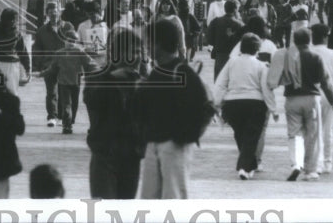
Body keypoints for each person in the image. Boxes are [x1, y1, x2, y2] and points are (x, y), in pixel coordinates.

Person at [134, 18, 215, 199]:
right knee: (149, 199)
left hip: (174, 144)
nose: (146, 46)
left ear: (159, 44)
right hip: (153, 143)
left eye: (149, 42)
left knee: (174, 196)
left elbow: (203, 109)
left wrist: (183, 138)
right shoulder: (156, 72)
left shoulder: (183, 72)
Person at [269, 27, 333, 182]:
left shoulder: (287, 57)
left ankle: (296, 163)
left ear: (294, 40)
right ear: (309, 40)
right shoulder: (316, 57)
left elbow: (276, 78)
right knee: (312, 135)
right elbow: (326, 83)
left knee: (294, 134)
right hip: (312, 98)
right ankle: (310, 170)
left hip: (292, 99)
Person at [83, 28, 146, 199]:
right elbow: (93, 103)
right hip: (104, 156)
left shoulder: (141, 82)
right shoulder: (98, 78)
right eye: (134, 52)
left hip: (131, 157)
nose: (139, 57)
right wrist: (113, 79)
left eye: (140, 52)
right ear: (119, 53)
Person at [214, 33, 278, 180]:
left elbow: (221, 84)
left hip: (232, 105)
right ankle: (243, 167)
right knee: (251, 136)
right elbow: (265, 88)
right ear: (257, 50)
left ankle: (249, 165)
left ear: (241, 48)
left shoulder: (231, 62)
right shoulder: (261, 66)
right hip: (255, 104)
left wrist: (216, 104)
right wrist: (273, 108)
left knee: (240, 135)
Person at [45, 21, 98, 134]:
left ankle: (69, 122)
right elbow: (90, 64)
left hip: (72, 82)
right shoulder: (67, 53)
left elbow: (89, 63)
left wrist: (96, 69)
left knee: (71, 104)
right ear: (64, 40)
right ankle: (67, 124)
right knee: (68, 104)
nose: (71, 43)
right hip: (67, 83)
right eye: (69, 40)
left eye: (73, 41)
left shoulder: (74, 52)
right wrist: (97, 70)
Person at [310, 23, 333, 172]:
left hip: (310, 93)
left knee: (312, 130)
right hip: (328, 94)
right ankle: (327, 161)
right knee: (326, 129)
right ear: (326, 36)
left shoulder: (306, 53)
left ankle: (314, 162)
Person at [32, 1, 65, 127]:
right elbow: (37, 49)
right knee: (51, 92)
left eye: (55, 11)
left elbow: (75, 43)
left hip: (64, 64)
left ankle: (62, 116)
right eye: (51, 12)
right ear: (47, 14)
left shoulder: (67, 27)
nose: (53, 14)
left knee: (63, 91)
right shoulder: (41, 31)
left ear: (59, 12)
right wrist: (40, 64)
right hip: (49, 65)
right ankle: (52, 116)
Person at [0, 7, 31, 94]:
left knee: (12, 93)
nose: (13, 22)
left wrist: (27, 68)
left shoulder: (17, 33)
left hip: (13, 66)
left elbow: (22, 52)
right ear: (4, 19)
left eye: (15, 19)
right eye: (11, 19)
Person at [206, 0, 243, 79]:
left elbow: (209, 39)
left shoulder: (215, 21)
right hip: (234, 57)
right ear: (235, 9)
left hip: (219, 56)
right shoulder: (239, 24)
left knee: (219, 82)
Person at [77, 1, 110, 69]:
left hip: (104, 62)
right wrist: (85, 49)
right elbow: (78, 44)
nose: (91, 16)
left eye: (93, 14)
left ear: (98, 12)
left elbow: (112, 43)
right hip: (88, 63)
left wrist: (107, 47)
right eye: (89, 14)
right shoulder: (82, 26)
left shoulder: (106, 26)